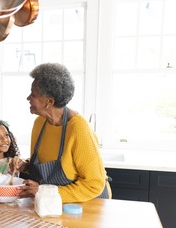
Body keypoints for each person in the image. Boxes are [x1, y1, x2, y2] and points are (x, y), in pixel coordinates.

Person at [14, 63, 111, 202]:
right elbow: (46, 165)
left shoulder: (78, 129)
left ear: (49, 102)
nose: (28, 98)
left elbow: (94, 185)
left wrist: (43, 192)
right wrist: (26, 165)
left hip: (88, 203)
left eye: (33, 94)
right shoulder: (40, 123)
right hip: (54, 203)